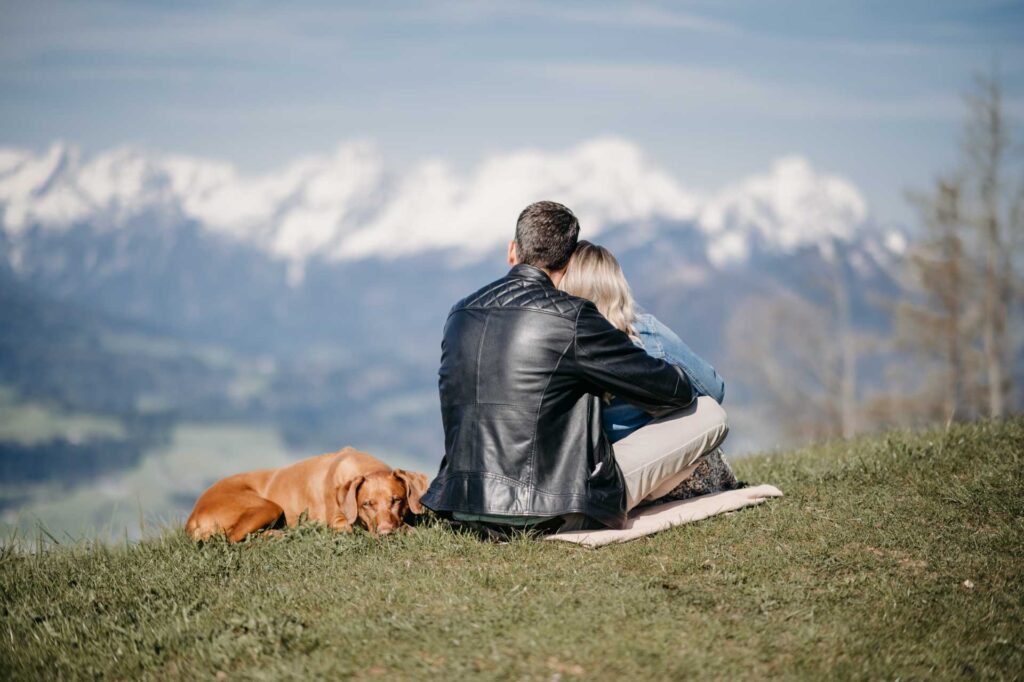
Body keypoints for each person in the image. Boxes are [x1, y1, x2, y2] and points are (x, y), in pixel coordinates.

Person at [420, 201, 729, 537]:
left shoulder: (460, 314)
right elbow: (671, 391)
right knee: (709, 414)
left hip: (462, 505)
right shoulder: (572, 316)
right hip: (549, 511)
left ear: (512, 250)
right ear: (569, 264)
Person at [558, 240, 736, 499]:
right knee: (709, 411)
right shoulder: (646, 334)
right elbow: (715, 388)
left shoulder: (558, 345)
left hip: (591, 470)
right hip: (656, 464)